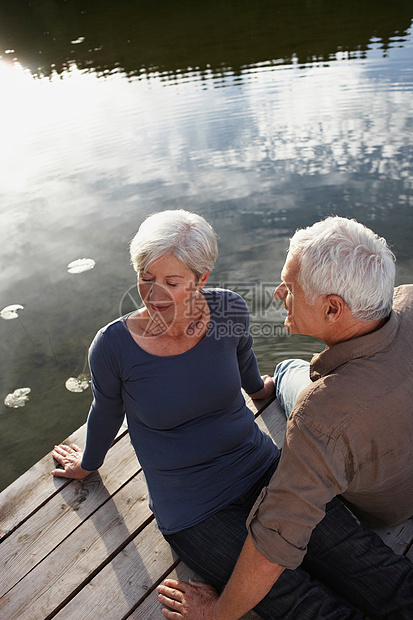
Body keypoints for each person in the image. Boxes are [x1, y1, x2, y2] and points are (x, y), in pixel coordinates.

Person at [51, 211, 413, 620]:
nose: (153, 294)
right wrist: (87, 464)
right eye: (145, 277)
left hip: (262, 467)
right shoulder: (112, 346)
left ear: (201, 279)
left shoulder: (229, 310)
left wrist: (261, 390)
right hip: (192, 508)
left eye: (171, 282)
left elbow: (244, 364)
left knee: (366, 561)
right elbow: (104, 413)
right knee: (295, 599)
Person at [158, 215, 413, 619]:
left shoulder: (321, 415)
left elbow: (275, 540)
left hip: (381, 499)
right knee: (296, 371)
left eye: (289, 288)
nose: (278, 294)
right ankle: (285, 374)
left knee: (291, 372)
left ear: (333, 308)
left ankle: (281, 374)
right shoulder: (409, 299)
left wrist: (219, 612)